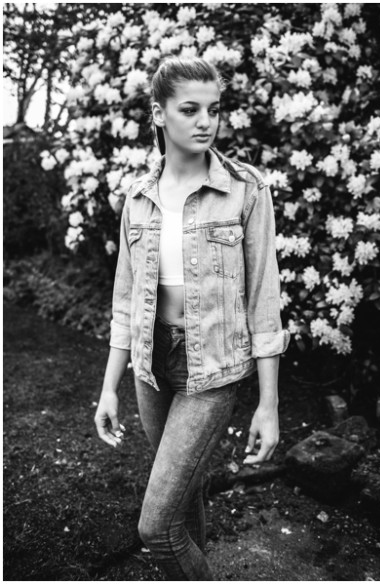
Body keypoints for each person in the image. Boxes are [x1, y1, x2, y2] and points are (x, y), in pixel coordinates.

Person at [93, 56, 289, 580]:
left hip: (215, 369)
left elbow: (264, 302)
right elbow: (125, 302)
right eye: (190, 109)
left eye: (214, 109)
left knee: (155, 527)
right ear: (159, 113)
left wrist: (268, 404)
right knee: (184, 501)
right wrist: (109, 388)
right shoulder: (138, 198)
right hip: (150, 367)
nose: (206, 121)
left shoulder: (246, 190)